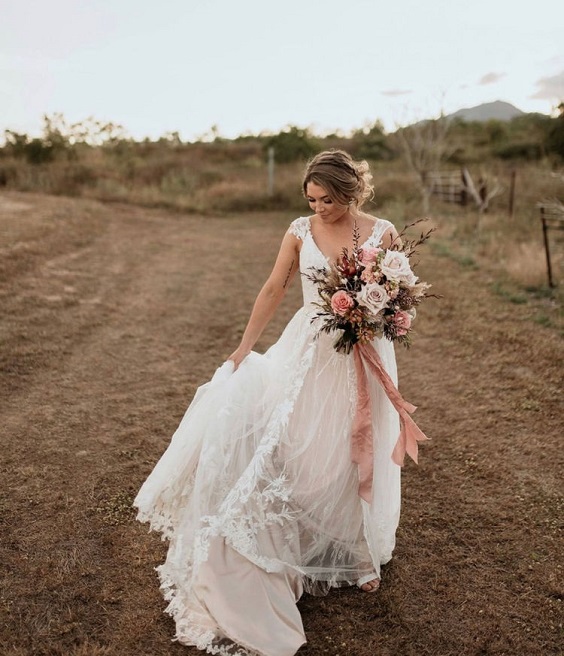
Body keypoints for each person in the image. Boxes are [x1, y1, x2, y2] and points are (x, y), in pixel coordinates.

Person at [134, 149, 403, 656]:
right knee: (303, 443)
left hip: (363, 352)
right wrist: (242, 347)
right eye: (312, 199)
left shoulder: (383, 232)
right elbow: (275, 286)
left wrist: (376, 315)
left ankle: (358, 553)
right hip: (309, 350)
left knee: (356, 445)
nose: (319, 207)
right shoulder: (299, 230)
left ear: (351, 194)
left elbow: (394, 297)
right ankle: (303, 530)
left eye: (327, 199)